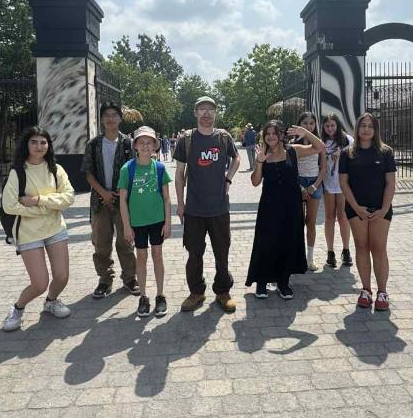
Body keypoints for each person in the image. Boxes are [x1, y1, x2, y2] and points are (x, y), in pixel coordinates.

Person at [1, 126, 75, 331]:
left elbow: (68, 197)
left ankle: (51, 301)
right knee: (40, 283)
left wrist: (37, 200)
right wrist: (45, 209)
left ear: (49, 145)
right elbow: (9, 206)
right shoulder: (17, 172)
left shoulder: (56, 169)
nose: (39, 146)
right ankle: (18, 308)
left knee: (62, 277)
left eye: (43, 142)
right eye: (34, 142)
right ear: (26, 145)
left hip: (55, 228)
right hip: (28, 233)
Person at [173, 96, 241, 313]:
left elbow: (237, 158)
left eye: (210, 109)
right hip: (194, 208)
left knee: (222, 252)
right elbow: (179, 174)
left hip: (219, 208)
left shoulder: (223, 137)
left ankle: (223, 291)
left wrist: (228, 179)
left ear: (215, 113)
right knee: (194, 254)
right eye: (201, 109)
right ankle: (196, 291)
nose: (206, 113)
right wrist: (180, 204)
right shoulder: (186, 139)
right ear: (195, 113)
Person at [247, 121, 325, 299]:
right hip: (269, 205)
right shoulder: (263, 153)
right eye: (268, 133)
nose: (271, 136)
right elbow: (255, 182)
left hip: (291, 205)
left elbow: (320, 147)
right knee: (266, 241)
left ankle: (283, 281)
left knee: (287, 241)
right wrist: (259, 162)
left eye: (274, 133)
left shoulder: (293, 151)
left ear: (281, 135)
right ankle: (262, 281)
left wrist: (306, 132)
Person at [339, 112, 397, 314]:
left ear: (375, 129)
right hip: (356, 209)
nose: (366, 129)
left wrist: (384, 209)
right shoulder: (347, 153)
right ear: (357, 128)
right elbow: (343, 183)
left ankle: (382, 292)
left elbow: (390, 183)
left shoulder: (385, 152)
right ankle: (366, 290)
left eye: (370, 126)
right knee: (362, 247)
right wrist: (356, 208)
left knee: (379, 248)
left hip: (381, 209)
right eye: (363, 125)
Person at [82, 102, 139, 298]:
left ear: (120, 118)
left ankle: (130, 278)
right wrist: (103, 193)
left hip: (123, 201)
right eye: (106, 115)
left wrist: (121, 193)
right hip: (99, 202)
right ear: (101, 119)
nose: (110, 118)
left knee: (126, 241)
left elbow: (134, 171)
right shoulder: (93, 144)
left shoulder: (128, 144)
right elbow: (88, 173)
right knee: (101, 243)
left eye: (114, 114)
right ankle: (105, 280)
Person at [119, 126, 172, 318]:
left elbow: (167, 198)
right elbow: (122, 200)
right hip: (138, 222)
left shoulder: (160, 168)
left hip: (157, 220)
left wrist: (168, 222)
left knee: (157, 254)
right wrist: (126, 226)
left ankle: (160, 295)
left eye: (149, 142)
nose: (145, 146)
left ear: (155, 146)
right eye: (141, 142)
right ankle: (143, 296)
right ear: (135, 145)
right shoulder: (128, 169)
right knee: (141, 256)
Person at [321, 113, 354, 269]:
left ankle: (346, 250)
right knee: (329, 217)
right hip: (328, 183)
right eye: (327, 126)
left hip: (343, 183)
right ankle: (330, 252)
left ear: (337, 125)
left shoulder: (347, 139)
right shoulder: (321, 141)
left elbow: (355, 154)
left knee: (343, 217)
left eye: (332, 125)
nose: (330, 128)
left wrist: (341, 152)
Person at [294, 112, 325, 270]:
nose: (308, 126)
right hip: (297, 183)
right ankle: (296, 258)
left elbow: (323, 167)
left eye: (311, 123)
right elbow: (290, 168)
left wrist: (314, 186)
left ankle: (310, 259)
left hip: (315, 183)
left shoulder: (318, 143)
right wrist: (300, 187)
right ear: (299, 124)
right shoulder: (293, 143)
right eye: (305, 123)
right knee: (297, 223)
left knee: (311, 222)